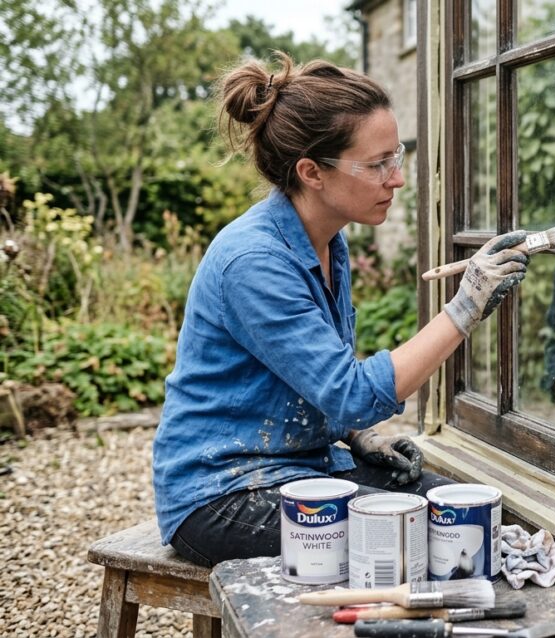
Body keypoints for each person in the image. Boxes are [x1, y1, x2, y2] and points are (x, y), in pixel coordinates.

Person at [152, 52, 529, 566]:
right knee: (422, 537)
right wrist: (464, 308)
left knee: (457, 509)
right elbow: (351, 393)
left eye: (396, 157)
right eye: (377, 165)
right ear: (312, 172)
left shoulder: (328, 242)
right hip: (222, 493)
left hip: (302, 466)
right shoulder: (254, 262)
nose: (397, 179)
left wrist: (358, 437)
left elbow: (317, 378)